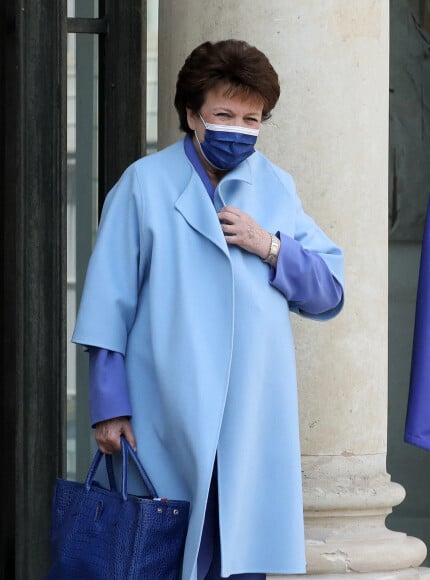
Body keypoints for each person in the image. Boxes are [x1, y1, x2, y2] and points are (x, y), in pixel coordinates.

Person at [72, 39, 344, 580]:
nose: (238, 128)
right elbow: (108, 304)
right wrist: (109, 407)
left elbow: (329, 291)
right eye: (224, 114)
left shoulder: (276, 188)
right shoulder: (143, 185)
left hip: (249, 412)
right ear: (193, 115)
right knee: (162, 552)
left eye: (252, 117)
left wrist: (269, 245)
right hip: (165, 407)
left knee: (240, 551)